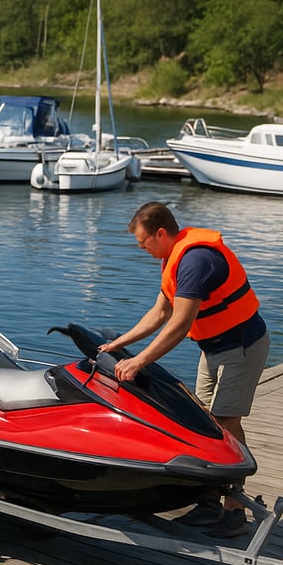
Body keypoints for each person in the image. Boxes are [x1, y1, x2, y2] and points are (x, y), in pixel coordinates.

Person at [99, 202, 270, 538]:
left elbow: (179, 323)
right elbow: (160, 312)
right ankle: (208, 501)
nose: (142, 249)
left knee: (226, 421)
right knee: (205, 419)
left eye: (143, 242)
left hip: (242, 348)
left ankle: (234, 512)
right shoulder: (173, 258)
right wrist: (118, 343)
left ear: (160, 233)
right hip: (215, 348)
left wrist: (139, 361)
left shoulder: (195, 260)